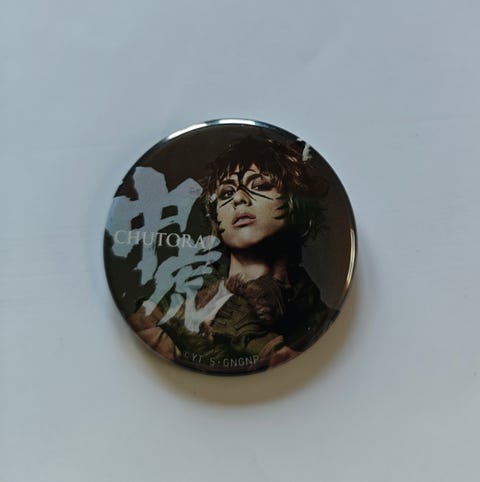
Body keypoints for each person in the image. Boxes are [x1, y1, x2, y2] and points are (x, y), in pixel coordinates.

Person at [128, 136, 335, 372]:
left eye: (259, 186)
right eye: (226, 193)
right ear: (215, 215)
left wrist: (261, 345)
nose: (238, 198)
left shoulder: (324, 322)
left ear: (295, 201)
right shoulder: (171, 300)